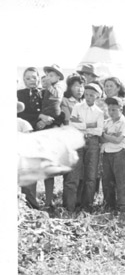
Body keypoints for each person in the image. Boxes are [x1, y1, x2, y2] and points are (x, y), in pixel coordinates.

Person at [98, 76, 125, 203]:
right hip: (105, 144)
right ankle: (108, 202)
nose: (108, 88)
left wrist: (121, 126)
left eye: (111, 85)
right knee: (107, 175)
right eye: (106, 86)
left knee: (123, 174)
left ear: (118, 87)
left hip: (121, 142)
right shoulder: (99, 102)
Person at [67, 82, 104, 212]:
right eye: (87, 94)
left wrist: (82, 125)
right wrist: (90, 125)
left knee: (90, 175)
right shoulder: (77, 107)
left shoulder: (99, 112)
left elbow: (99, 131)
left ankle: (86, 206)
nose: (88, 97)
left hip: (93, 142)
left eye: (92, 95)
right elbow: (72, 124)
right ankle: (69, 206)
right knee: (74, 174)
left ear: (97, 96)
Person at [39, 64, 67, 209]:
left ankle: (58, 199)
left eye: (52, 75)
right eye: (47, 75)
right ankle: (48, 200)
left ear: (58, 77)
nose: (49, 78)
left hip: (55, 125)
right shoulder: (44, 91)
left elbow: (56, 95)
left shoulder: (59, 87)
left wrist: (48, 85)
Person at [17, 67, 43, 209]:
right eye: (28, 78)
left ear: (39, 78)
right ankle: (26, 203)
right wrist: (39, 117)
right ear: (24, 80)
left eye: (34, 77)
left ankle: (32, 202)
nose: (31, 80)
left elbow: (53, 111)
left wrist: (45, 120)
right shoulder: (19, 94)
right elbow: (21, 114)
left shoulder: (45, 94)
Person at [100, 97, 125, 213]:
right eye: (109, 110)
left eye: (114, 110)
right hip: (106, 153)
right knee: (107, 181)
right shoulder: (106, 122)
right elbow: (100, 138)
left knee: (121, 181)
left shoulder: (124, 123)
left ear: (121, 109)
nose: (111, 112)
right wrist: (110, 137)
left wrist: (106, 136)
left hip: (119, 153)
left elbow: (119, 140)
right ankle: (109, 205)